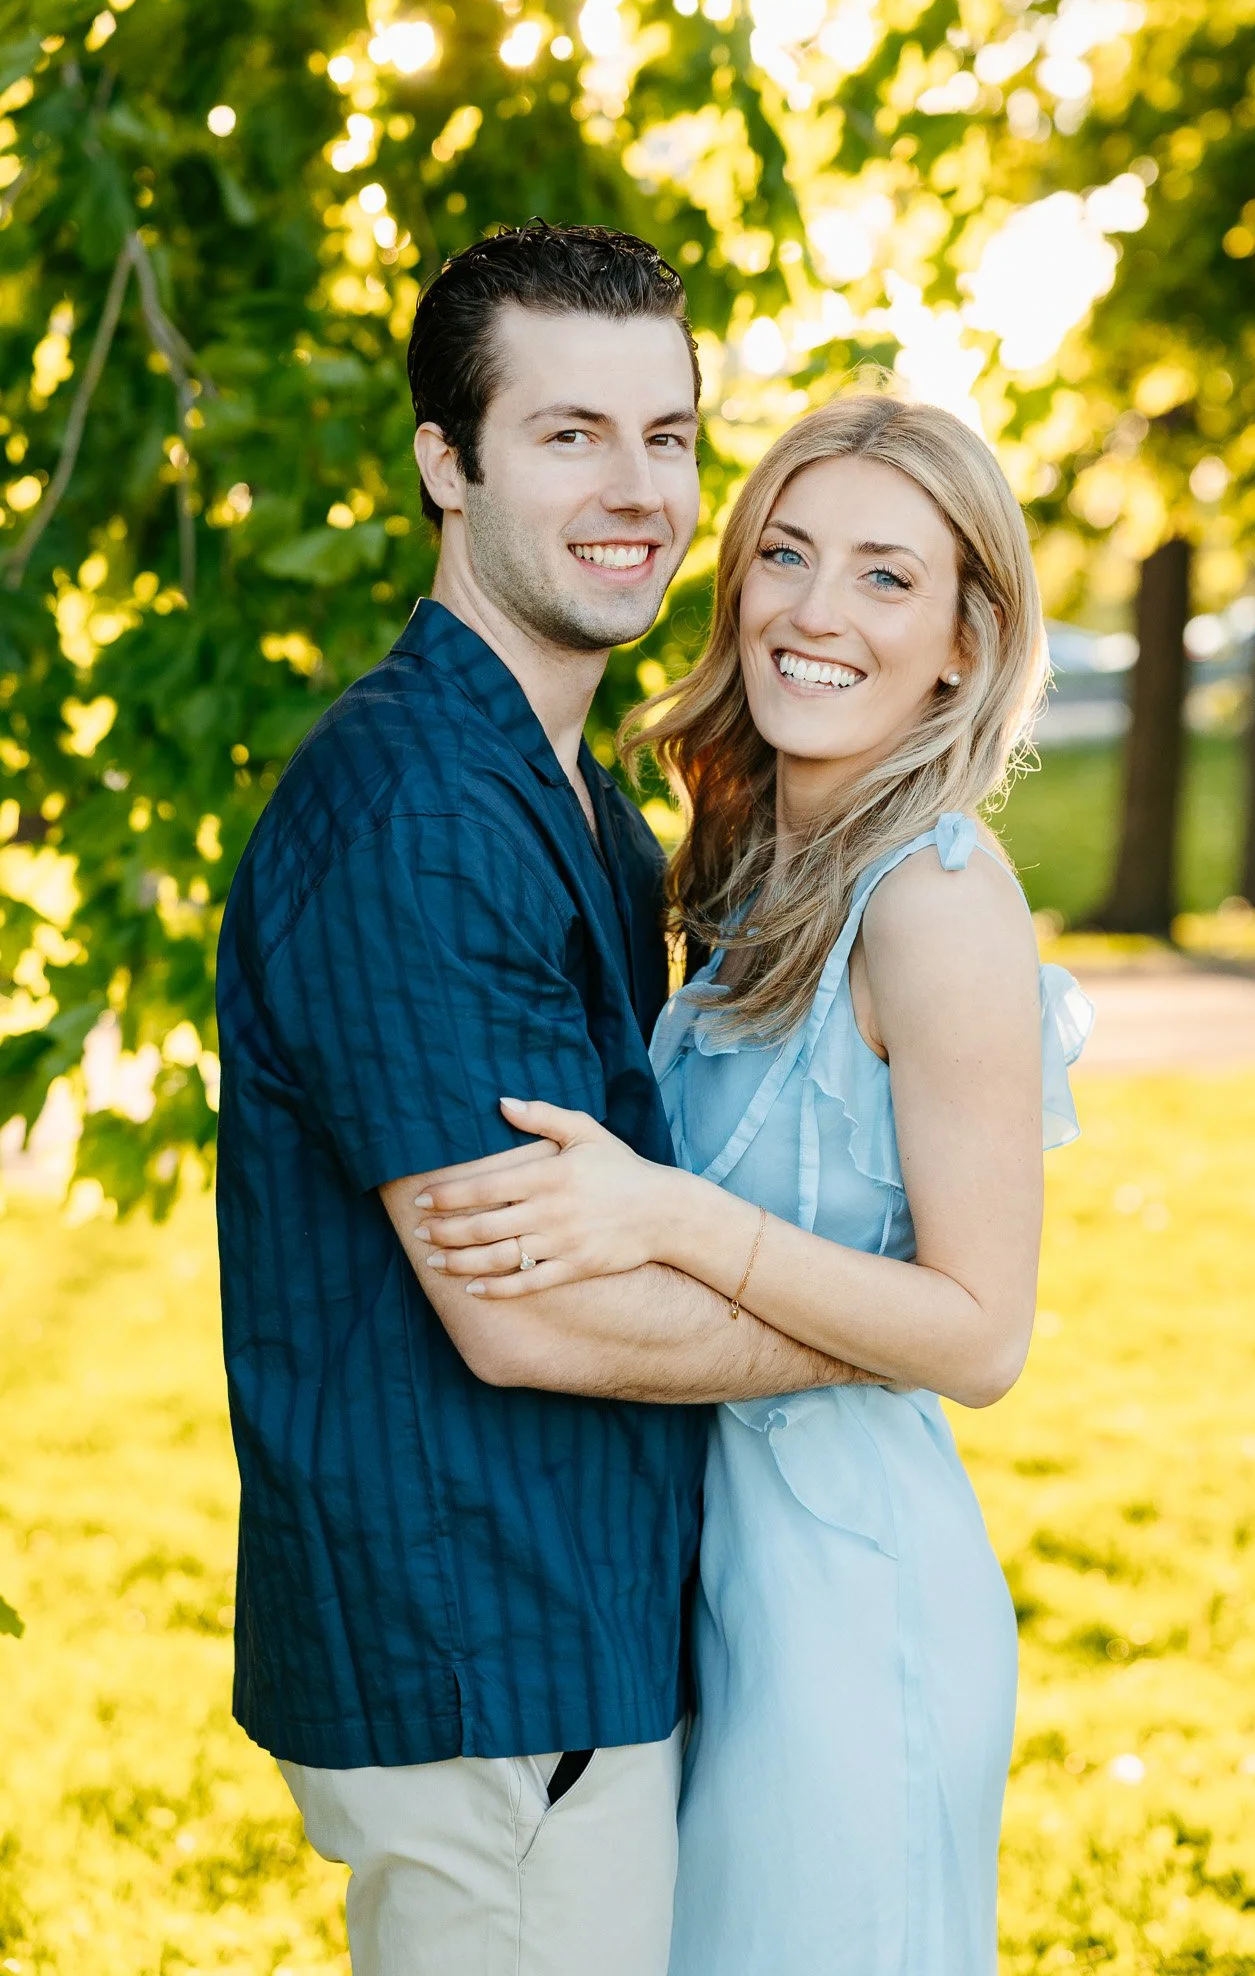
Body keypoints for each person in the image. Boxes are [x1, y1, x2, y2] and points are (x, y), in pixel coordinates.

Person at [215, 221, 874, 1976]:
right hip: (486, 1659)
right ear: (448, 464)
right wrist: (886, 1330)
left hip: (570, 1628)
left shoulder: (581, 804)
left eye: (667, 435)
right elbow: (531, 1317)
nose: (635, 488)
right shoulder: (420, 813)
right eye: (567, 434)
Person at [410, 391, 1093, 1975]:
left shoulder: (934, 900)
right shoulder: (742, 859)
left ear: (967, 640)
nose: (813, 611)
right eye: (786, 554)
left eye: (884, 577)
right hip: (696, 1586)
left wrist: (673, 1220)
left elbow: (985, 1335)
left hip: (852, 1605)